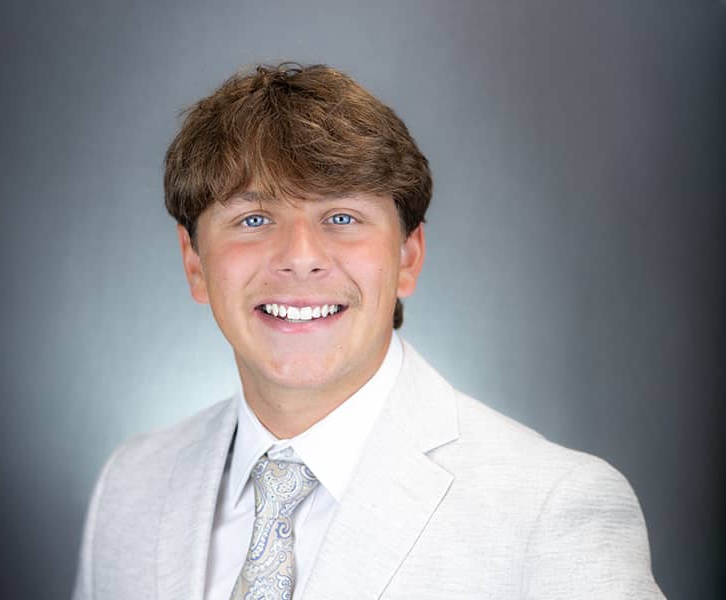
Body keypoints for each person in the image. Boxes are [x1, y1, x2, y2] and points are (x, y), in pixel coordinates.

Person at [72, 63, 664, 600]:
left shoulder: (554, 509)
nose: (300, 257)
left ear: (408, 257)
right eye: (253, 218)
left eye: (342, 217)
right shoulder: (129, 486)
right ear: (195, 263)